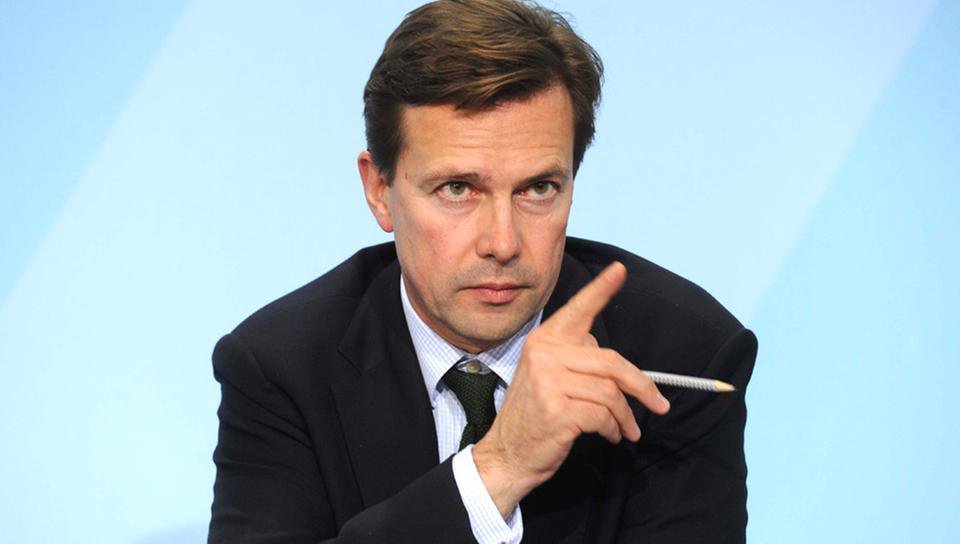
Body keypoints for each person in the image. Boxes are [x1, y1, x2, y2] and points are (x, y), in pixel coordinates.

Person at [207, 0, 758, 542]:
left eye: (538, 188)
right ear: (379, 190)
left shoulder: (683, 358)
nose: (503, 244)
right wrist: (499, 468)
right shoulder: (280, 367)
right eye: (458, 189)